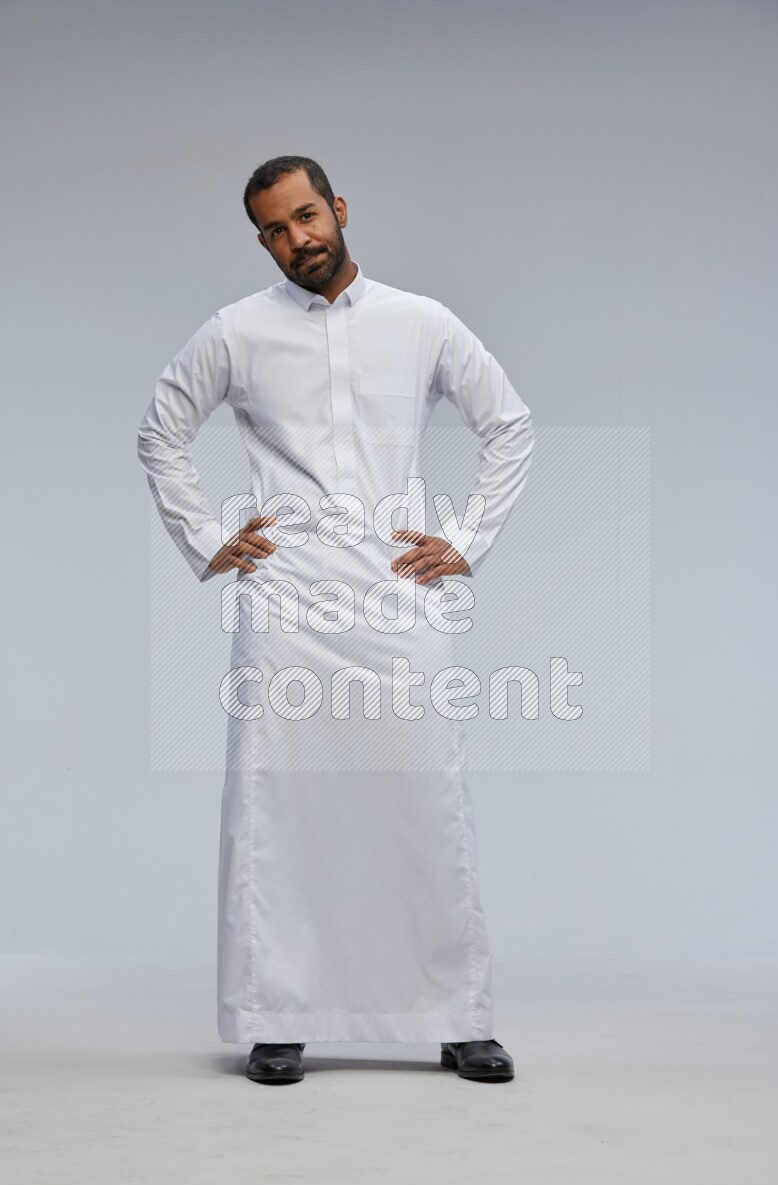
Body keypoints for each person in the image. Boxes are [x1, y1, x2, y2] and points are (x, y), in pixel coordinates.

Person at [137, 155, 534, 1085]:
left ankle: (458, 1014)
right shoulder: (237, 331)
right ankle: (280, 1012)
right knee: (282, 803)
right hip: (288, 602)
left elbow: (509, 423)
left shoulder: (421, 321)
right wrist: (206, 536)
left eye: (306, 216)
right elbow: (160, 430)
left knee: (424, 799)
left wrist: (467, 535)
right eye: (274, 229)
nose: (296, 240)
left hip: (400, 594)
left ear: (339, 208)